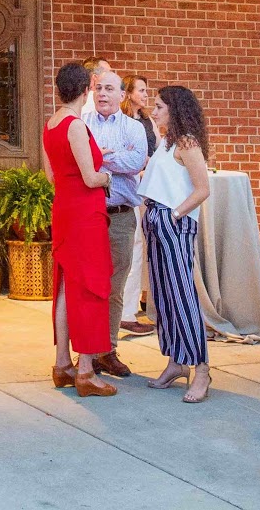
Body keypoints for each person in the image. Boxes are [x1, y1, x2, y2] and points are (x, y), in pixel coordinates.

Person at [44, 61, 117, 397]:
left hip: (64, 209)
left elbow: (51, 176)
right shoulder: (75, 125)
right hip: (85, 214)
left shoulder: (50, 125)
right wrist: (108, 177)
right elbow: (90, 177)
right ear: (86, 90)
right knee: (90, 287)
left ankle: (63, 364)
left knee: (65, 286)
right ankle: (86, 369)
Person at [140, 85, 214, 403]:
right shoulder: (167, 142)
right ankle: (176, 361)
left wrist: (174, 215)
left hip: (174, 223)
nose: (153, 111)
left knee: (182, 297)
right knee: (164, 297)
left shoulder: (187, 142)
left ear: (175, 109)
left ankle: (202, 369)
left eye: (159, 106)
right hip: (157, 219)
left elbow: (203, 188)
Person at [84, 68, 150, 377]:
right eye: (98, 88)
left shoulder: (134, 128)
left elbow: (136, 162)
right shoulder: (82, 124)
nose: (102, 94)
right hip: (89, 215)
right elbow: (78, 162)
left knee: (115, 286)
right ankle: (86, 353)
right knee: (88, 286)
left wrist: (99, 157)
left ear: (122, 95)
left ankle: (107, 351)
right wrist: (110, 157)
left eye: (109, 89)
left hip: (121, 215)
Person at [118, 73, 156, 336]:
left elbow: (158, 149)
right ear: (129, 93)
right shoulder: (122, 123)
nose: (145, 95)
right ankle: (126, 312)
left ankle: (138, 302)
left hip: (149, 187)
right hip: (132, 187)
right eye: (141, 90)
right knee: (132, 246)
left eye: (146, 90)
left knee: (142, 246)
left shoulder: (147, 120)